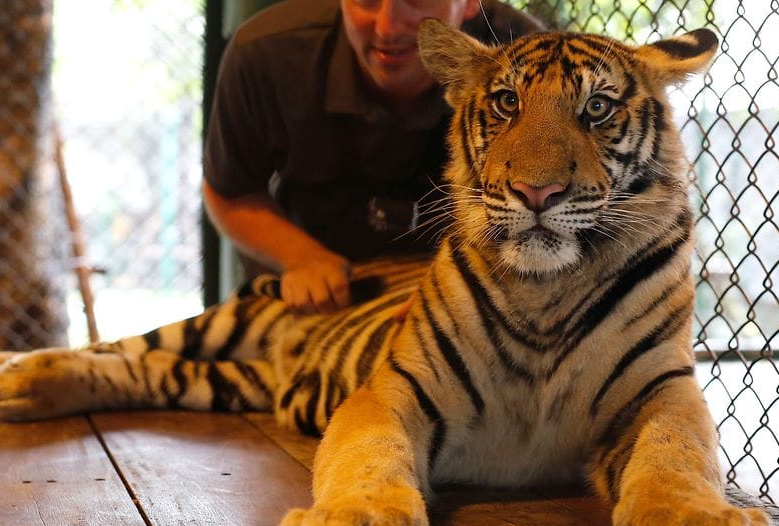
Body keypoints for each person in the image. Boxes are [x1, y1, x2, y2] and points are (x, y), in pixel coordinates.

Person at [203, 0, 542, 314]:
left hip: (462, 297)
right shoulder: (268, 52)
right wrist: (302, 258)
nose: (387, 28)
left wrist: (463, 288)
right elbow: (230, 192)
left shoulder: (532, 64)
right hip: (311, 300)